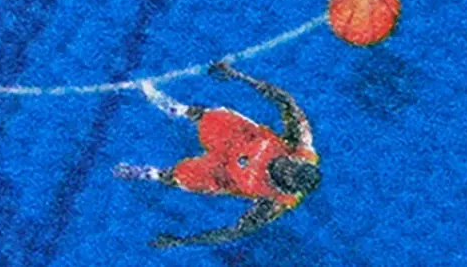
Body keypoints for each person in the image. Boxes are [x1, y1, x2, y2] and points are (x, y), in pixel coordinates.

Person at [113, 62, 321, 248]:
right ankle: (178, 109)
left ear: (284, 185)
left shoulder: (274, 202)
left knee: (178, 177)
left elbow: (234, 232)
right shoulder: (301, 145)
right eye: (289, 162)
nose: (283, 164)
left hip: (224, 174)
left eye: (283, 171)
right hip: (241, 138)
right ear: (296, 159)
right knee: (208, 116)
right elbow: (286, 101)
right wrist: (239, 76)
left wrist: (180, 241)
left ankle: (150, 174)